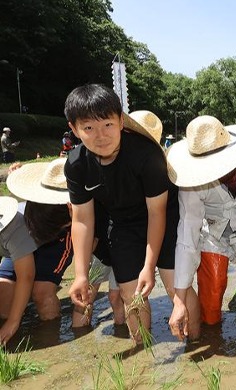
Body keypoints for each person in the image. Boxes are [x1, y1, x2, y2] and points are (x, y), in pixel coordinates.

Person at [63, 84, 182, 345]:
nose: (101, 136)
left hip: (164, 214)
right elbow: (82, 219)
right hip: (122, 223)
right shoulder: (76, 165)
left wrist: (149, 267)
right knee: (132, 294)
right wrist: (81, 274)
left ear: (120, 121)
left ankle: (194, 342)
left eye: (107, 124)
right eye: (88, 128)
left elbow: (157, 212)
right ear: (74, 129)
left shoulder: (146, 154)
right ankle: (143, 350)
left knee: (176, 289)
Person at [167, 115, 236, 340]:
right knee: (212, 300)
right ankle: (213, 339)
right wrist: (179, 299)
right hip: (213, 235)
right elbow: (188, 234)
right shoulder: (191, 182)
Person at [1, 158, 73, 324]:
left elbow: (26, 276)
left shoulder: (69, 207)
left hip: (56, 239)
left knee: (42, 293)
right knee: (4, 290)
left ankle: (50, 330)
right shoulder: (12, 223)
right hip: (23, 235)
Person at [0, 196, 37, 345]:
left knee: (43, 295)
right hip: (13, 251)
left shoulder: (12, 226)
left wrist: (12, 323)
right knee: (4, 309)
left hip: (47, 241)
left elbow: (26, 275)